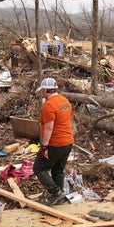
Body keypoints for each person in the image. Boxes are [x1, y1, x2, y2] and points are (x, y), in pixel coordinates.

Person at [32, 77, 74, 206]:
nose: (42, 94)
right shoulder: (64, 101)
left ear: (45, 90)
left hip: (56, 143)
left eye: (42, 91)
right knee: (57, 170)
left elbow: (49, 128)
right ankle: (59, 197)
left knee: (38, 168)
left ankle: (56, 192)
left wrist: (44, 146)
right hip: (68, 142)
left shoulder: (49, 105)